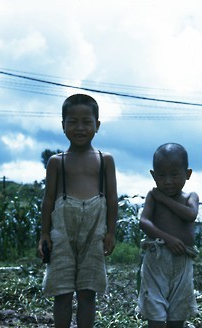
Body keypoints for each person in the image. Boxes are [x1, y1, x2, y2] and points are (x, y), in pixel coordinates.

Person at [38, 94, 118, 328]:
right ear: (63, 126)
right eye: (72, 121)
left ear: (97, 125)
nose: (80, 127)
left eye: (86, 121)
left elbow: (112, 199)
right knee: (61, 291)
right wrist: (44, 234)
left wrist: (111, 232)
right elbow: (48, 199)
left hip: (94, 234)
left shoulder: (106, 160)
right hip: (61, 234)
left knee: (87, 291)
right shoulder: (57, 162)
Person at [138, 143, 199, 328]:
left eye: (174, 174)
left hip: (182, 260)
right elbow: (144, 222)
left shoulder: (190, 197)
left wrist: (164, 199)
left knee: (178, 310)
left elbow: (191, 214)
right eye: (162, 176)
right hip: (157, 258)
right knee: (154, 307)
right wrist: (167, 238)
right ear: (153, 175)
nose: (168, 181)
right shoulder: (152, 196)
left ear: (187, 174)